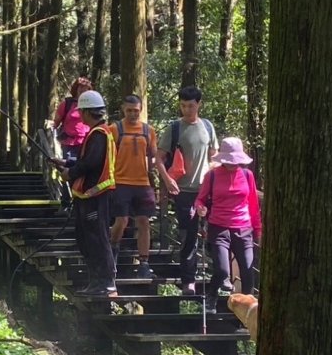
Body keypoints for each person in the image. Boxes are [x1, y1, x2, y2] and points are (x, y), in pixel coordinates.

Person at [156, 86, 218, 295]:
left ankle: (219, 278)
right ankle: (188, 281)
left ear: (199, 104)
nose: (187, 110)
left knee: (215, 233)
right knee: (188, 236)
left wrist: (213, 177)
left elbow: (214, 157)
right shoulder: (173, 128)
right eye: (183, 105)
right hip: (183, 191)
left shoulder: (208, 127)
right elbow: (159, 158)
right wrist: (166, 180)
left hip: (206, 190)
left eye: (191, 105)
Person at [59, 89, 117, 297]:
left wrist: (71, 172)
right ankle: (96, 281)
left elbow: (92, 163)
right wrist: (66, 163)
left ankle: (106, 281)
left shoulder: (99, 134)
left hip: (95, 195)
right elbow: (89, 160)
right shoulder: (97, 133)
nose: (80, 115)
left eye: (82, 111)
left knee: (97, 238)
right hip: (88, 196)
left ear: (88, 112)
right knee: (85, 238)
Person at [194, 137, 262, 307]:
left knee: (247, 270)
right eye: (228, 160)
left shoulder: (247, 175)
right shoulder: (212, 176)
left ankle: (248, 308)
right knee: (222, 270)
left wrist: (257, 229)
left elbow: (253, 203)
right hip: (219, 228)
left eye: (235, 160)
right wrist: (200, 208)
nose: (232, 163)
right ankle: (211, 297)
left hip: (244, 228)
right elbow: (200, 200)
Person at [108, 95, 158, 280]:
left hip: (143, 183)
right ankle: (112, 250)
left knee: (144, 222)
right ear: (123, 109)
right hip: (121, 182)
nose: (132, 114)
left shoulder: (148, 131)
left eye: (136, 110)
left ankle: (144, 263)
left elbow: (153, 156)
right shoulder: (115, 129)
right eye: (129, 110)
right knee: (121, 221)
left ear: (141, 109)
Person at [53, 77, 94, 163]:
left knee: (84, 169)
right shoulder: (66, 104)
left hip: (86, 143)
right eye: (81, 87)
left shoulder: (92, 106)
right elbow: (55, 124)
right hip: (69, 144)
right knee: (69, 167)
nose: (83, 90)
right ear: (76, 89)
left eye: (86, 88)